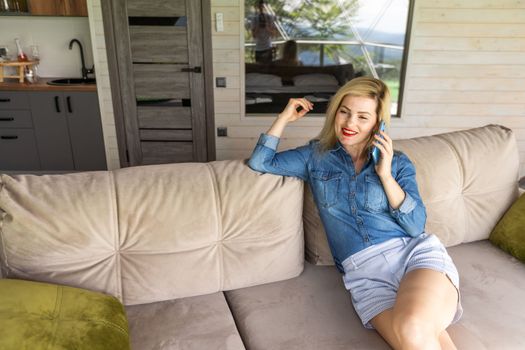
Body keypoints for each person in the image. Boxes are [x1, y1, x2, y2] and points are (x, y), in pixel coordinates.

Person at [248, 77, 462, 350]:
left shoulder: (397, 162)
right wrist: (283, 117)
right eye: (345, 112)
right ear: (335, 112)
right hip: (365, 276)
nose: (350, 124)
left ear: (377, 123)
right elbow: (261, 161)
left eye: (363, 117)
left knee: (412, 327)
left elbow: (415, 225)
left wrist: (384, 175)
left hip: (412, 257)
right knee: (417, 335)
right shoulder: (316, 156)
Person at [250, 0, 278, 64]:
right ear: (257, 8)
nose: (261, 9)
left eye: (263, 7)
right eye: (260, 7)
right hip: (258, 48)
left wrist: (267, 27)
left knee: (268, 68)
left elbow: (274, 34)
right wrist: (258, 27)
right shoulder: (254, 18)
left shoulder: (270, 18)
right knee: (258, 68)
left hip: (268, 47)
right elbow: (254, 35)